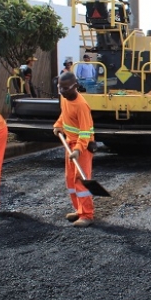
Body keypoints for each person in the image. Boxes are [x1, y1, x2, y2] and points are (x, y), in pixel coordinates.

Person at [53, 72, 96, 228]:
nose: (62, 91)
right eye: (60, 88)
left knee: (81, 180)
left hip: (82, 147)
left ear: (75, 86)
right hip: (70, 144)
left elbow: (85, 132)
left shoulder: (81, 105)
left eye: (65, 88)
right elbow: (65, 115)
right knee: (70, 179)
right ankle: (79, 209)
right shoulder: (65, 99)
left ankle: (87, 215)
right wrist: (58, 125)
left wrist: (78, 149)